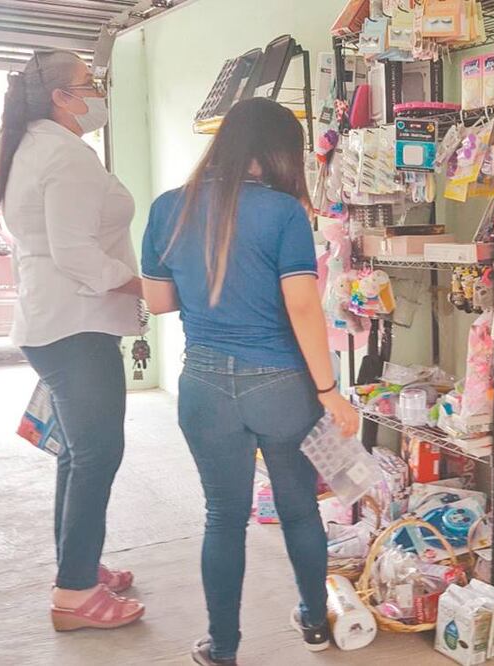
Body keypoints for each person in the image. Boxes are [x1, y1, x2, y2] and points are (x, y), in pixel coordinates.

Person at [140, 98, 359, 666]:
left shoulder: (169, 207)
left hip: (204, 385)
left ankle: (223, 648)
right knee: (299, 509)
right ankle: (315, 622)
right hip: (282, 386)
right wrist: (329, 392)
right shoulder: (284, 213)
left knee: (223, 516)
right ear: (279, 152)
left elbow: (158, 301)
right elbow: (303, 307)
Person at [0, 50, 145, 631]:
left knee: (78, 453)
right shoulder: (64, 155)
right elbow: (76, 252)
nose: (98, 91)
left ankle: (75, 566)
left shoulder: (31, 148)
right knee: (98, 453)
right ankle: (75, 593)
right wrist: (147, 287)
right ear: (61, 96)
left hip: (54, 322)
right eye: (89, 82)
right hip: (76, 325)